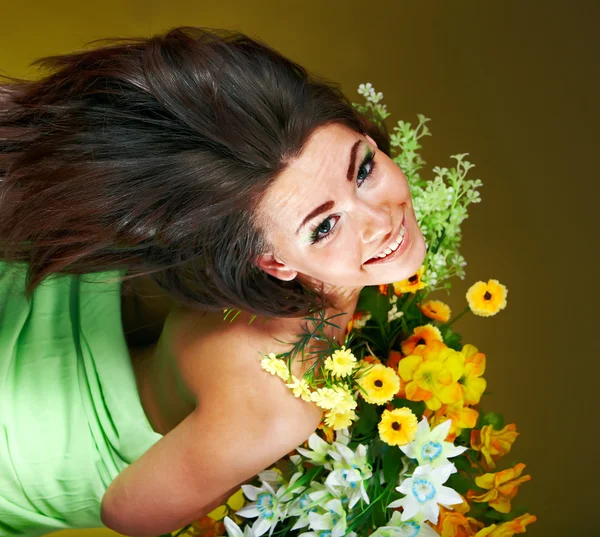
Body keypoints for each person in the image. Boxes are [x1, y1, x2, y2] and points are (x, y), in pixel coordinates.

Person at [0, 26, 427, 537]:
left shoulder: (214, 236)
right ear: (273, 264)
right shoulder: (279, 404)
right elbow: (128, 515)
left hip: (62, 323)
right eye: (324, 226)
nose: (381, 220)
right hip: (33, 438)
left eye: (362, 171)